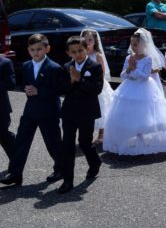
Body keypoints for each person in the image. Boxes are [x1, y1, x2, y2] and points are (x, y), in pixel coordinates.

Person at [1, 34, 66, 187]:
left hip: (49, 111)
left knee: (53, 142)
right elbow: (27, 85)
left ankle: (61, 169)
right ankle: (15, 174)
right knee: (21, 142)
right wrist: (28, 90)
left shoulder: (55, 67)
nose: (36, 53)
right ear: (28, 50)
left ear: (47, 48)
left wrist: (39, 91)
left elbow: (60, 90)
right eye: (32, 50)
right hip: (30, 110)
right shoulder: (26, 66)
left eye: (39, 49)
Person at [103, 29, 166, 156]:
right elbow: (123, 75)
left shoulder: (147, 59)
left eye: (136, 44)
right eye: (131, 43)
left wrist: (134, 68)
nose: (133, 46)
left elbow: (144, 76)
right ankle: (129, 135)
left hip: (144, 87)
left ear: (143, 45)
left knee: (143, 112)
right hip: (129, 87)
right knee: (129, 113)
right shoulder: (128, 57)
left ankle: (142, 135)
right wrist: (129, 69)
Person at [57, 36, 104, 193]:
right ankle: (67, 180)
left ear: (87, 49)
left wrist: (80, 78)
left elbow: (97, 89)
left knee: (84, 142)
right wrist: (70, 81)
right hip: (69, 112)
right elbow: (62, 89)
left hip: (87, 112)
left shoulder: (95, 67)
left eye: (80, 51)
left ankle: (95, 162)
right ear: (68, 53)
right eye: (73, 52)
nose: (77, 54)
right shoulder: (66, 67)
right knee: (67, 145)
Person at [80, 29, 114, 144]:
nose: (87, 42)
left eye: (90, 40)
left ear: (95, 41)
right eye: (85, 40)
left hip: (97, 85)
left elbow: (102, 73)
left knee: (102, 109)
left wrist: (93, 82)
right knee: (86, 110)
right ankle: (86, 134)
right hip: (83, 86)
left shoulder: (97, 55)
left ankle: (101, 134)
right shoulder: (80, 55)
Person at [0, 54, 14, 165]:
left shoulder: (5, 62)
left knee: (3, 135)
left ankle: (15, 161)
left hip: (1, 108)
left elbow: (11, 83)